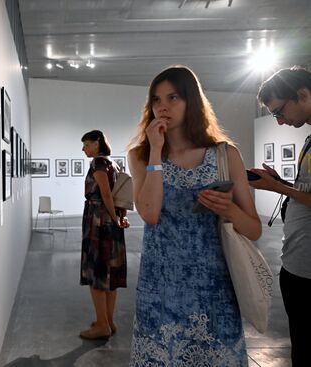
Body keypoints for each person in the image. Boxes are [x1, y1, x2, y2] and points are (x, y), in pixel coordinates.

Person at [127, 65, 261, 365]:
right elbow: (149, 214)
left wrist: (228, 209)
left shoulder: (225, 155)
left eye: (173, 97)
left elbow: (253, 229)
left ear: (192, 101)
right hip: (159, 288)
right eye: (156, 99)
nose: (163, 106)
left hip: (214, 288)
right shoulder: (141, 155)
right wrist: (156, 152)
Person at [249, 66, 311, 366]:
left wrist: (276, 186)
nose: (280, 120)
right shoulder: (310, 139)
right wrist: (281, 184)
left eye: (279, 111)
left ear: (302, 94)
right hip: (298, 263)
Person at [79, 129, 129, 340]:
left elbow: (107, 194)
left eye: (86, 144)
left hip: (99, 221)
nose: (84, 149)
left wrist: (113, 217)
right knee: (110, 272)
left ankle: (102, 325)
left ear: (97, 142)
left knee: (98, 272)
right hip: (112, 219)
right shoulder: (113, 163)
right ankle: (108, 321)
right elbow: (121, 194)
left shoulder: (98, 163)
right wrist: (120, 217)